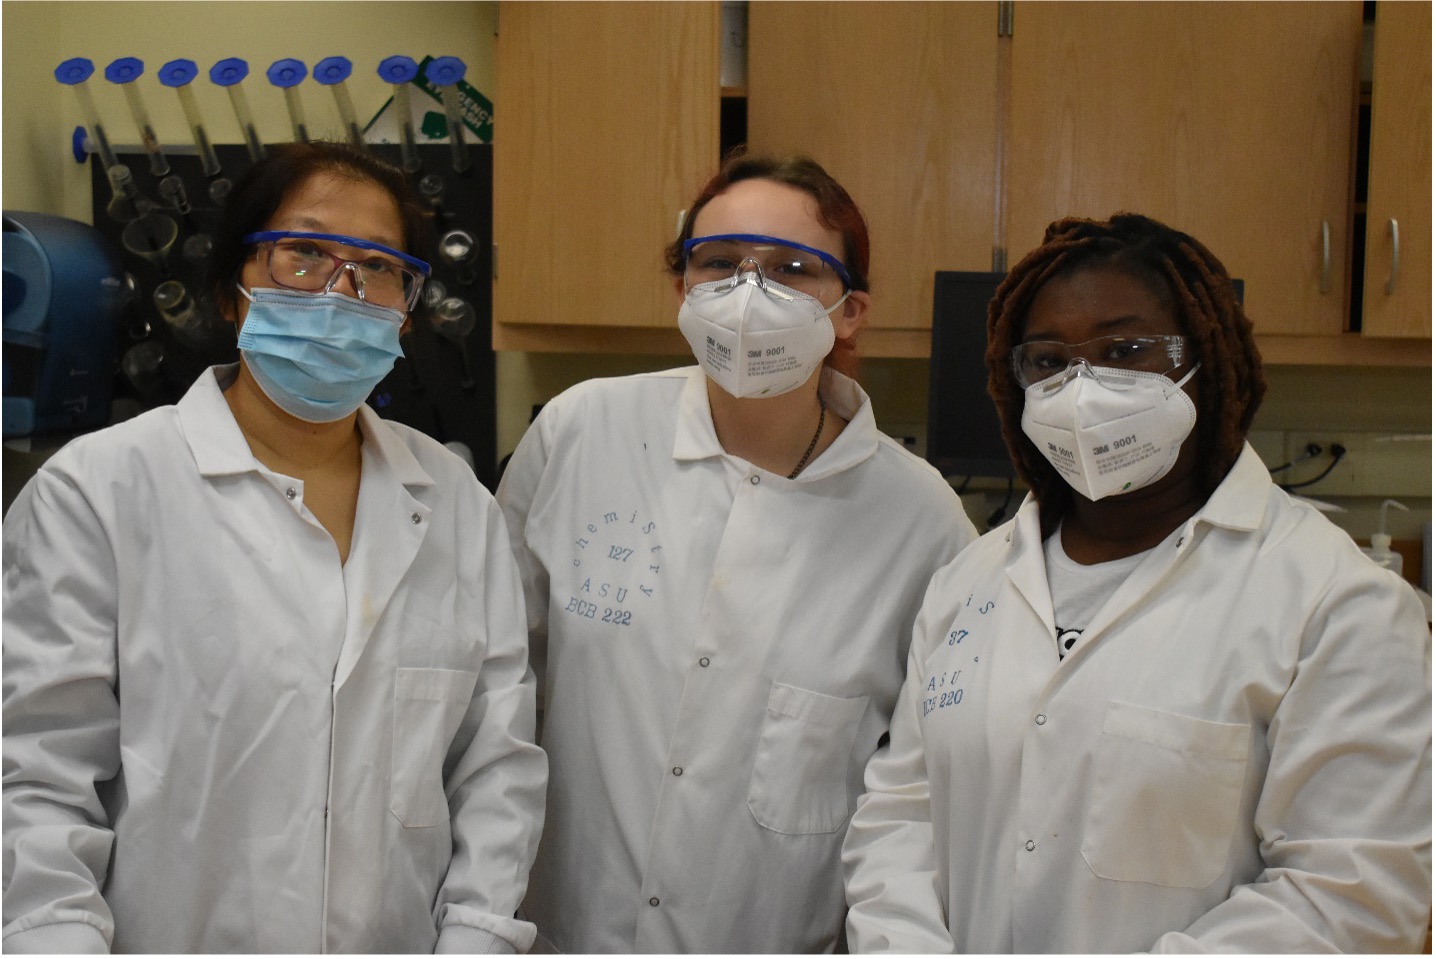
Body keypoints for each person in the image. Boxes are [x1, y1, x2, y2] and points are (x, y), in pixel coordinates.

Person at [2, 141, 546, 954]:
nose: (341, 293)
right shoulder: (102, 492)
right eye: (304, 253)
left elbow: (494, 768)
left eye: (378, 267)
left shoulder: (458, 507)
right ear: (231, 290)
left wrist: (476, 939)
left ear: (408, 306)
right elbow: (36, 782)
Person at [842, 212, 1432, 952]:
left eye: (1126, 350)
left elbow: (1352, 898)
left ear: (1206, 362)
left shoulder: (1337, 603)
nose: (1083, 387)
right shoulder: (971, 577)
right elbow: (903, 812)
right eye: (1050, 360)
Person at [496, 151, 979, 952]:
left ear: (850, 310)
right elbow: (493, 689)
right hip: (566, 928)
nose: (748, 295)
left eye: (792, 269)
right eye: (718, 264)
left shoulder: (921, 519)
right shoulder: (583, 432)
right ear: (682, 289)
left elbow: (923, 790)